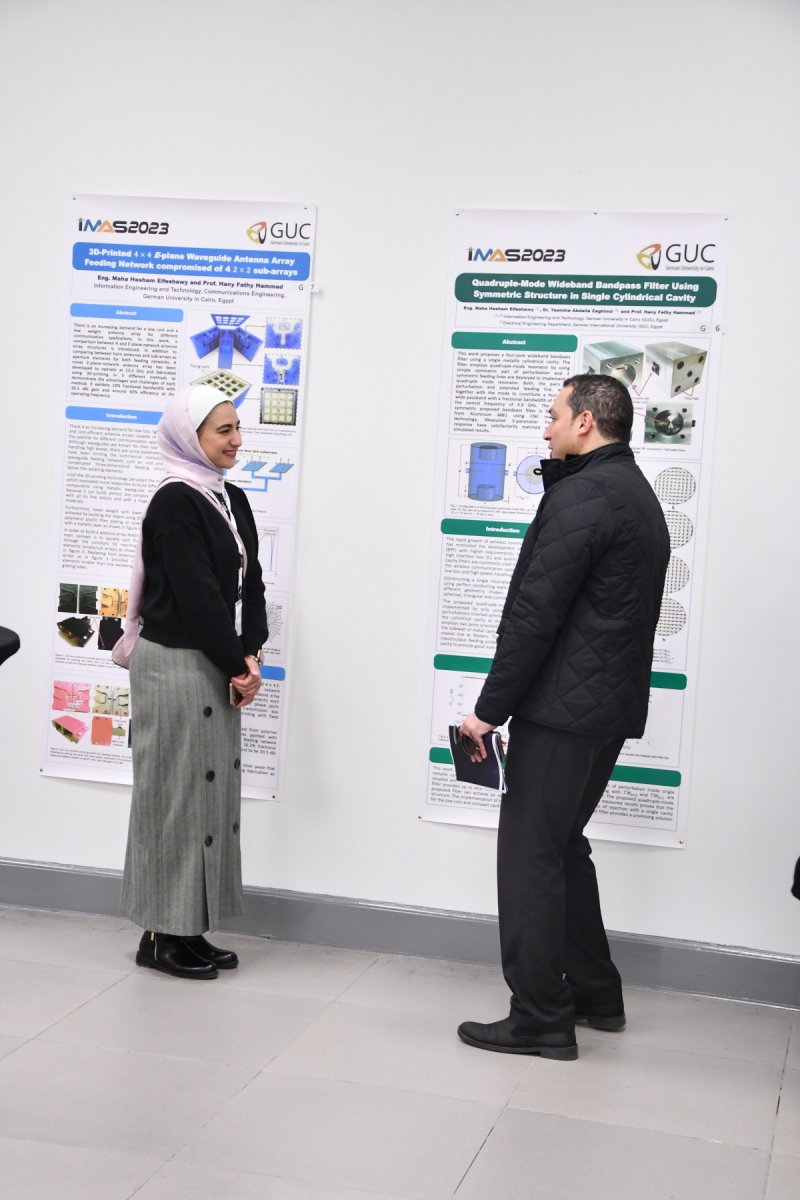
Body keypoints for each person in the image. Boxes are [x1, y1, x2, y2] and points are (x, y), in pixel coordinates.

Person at [457, 374, 670, 1059]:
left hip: (562, 712)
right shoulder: (635, 492)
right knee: (563, 846)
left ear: (585, 422)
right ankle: (596, 993)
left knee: (530, 857)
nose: (545, 429)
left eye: (553, 416)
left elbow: (535, 615)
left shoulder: (583, 495)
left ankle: (540, 1016)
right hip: (604, 711)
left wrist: (488, 710)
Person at [118, 384, 267, 980]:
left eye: (237, 428)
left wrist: (250, 652)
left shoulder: (229, 497)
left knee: (209, 795)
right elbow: (199, 596)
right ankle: (159, 936)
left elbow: (252, 584)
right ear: (190, 437)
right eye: (223, 431)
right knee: (173, 797)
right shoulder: (175, 502)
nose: (237, 441)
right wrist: (237, 665)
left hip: (215, 659)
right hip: (176, 664)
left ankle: (188, 927)